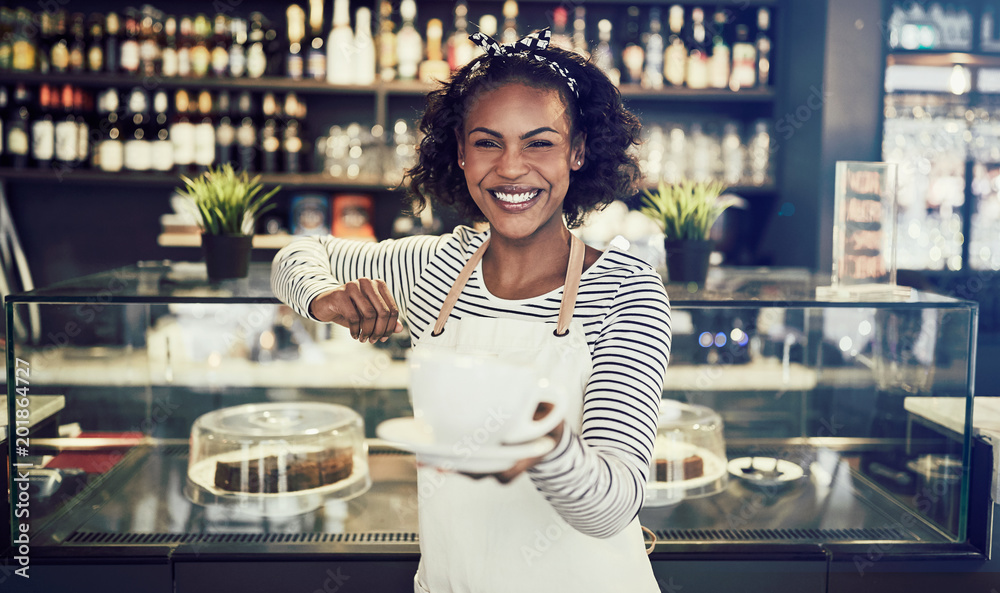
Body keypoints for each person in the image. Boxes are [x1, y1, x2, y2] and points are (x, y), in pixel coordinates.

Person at [271, 28, 671, 593]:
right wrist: (323, 297)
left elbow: (610, 507)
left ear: (577, 151)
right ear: (459, 152)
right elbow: (297, 252)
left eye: (539, 143)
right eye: (488, 142)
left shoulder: (624, 290)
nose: (510, 168)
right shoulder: (435, 268)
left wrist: (542, 445)